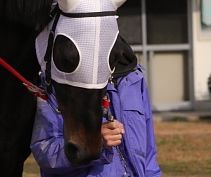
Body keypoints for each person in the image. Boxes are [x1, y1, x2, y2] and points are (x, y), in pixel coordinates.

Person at [30, 38, 162, 176]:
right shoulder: (57, 85)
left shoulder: (134, 78)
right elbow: (44, 153)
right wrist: (93, 141)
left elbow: (149, 156)